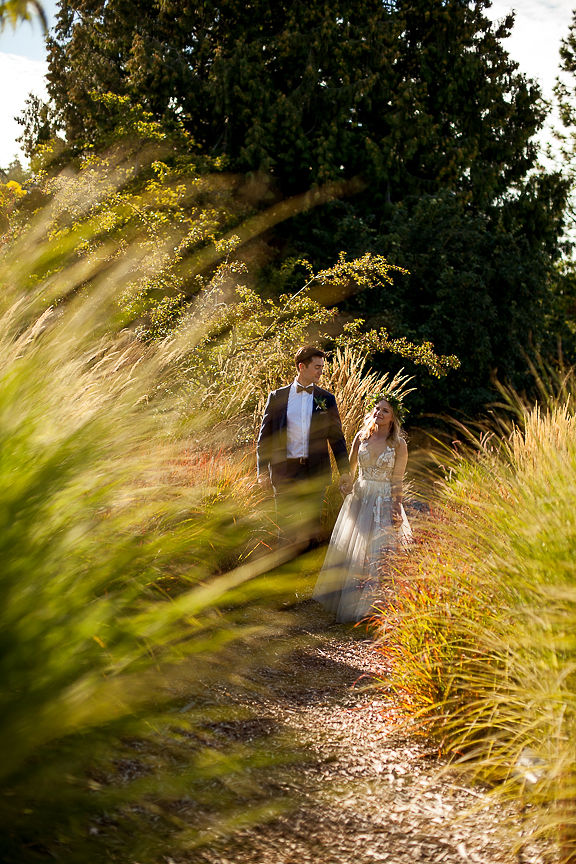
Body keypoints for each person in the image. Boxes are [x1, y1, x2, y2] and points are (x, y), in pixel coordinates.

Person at [313, 393, 412, 622]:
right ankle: (346, 600)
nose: (379, 413)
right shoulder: (361, 437)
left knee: (379, 549)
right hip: (360, 496)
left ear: (393, 417)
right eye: (377, 408)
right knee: (353, 549)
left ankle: (374, 608)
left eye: (385, 411)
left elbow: (397, 480)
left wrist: (396, 507)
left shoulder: (399, 445)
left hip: (384, 499)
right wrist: (345, 483)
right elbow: (350, 468)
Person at [257, 346, 352, 549]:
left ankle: (309, 576)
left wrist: (344, 470)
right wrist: (262, 471)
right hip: (284, 472)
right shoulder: (277, 397)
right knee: (284, 526)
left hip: (315, 473)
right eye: (317, 367)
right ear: (302, 367)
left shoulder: (327, 400)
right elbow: (265, 437)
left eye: (322, 367)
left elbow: (337, 438)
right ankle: (285, 574)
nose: (321, 371)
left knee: (311, 527)